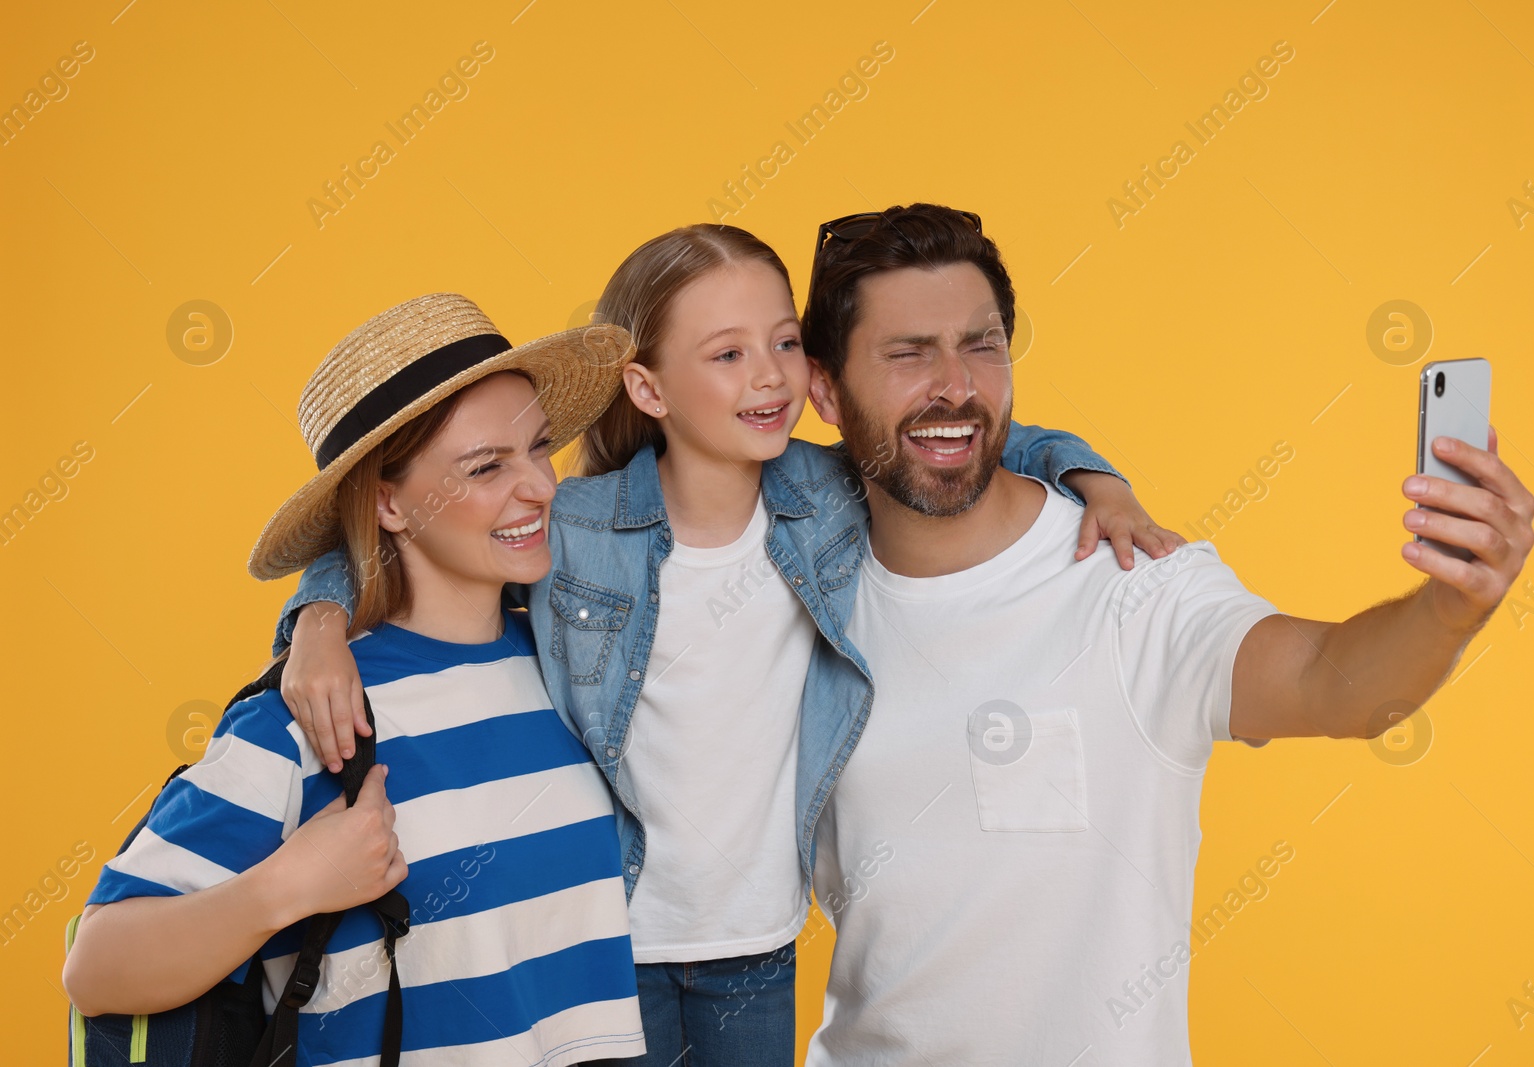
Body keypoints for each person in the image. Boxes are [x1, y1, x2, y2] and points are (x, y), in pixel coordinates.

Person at [271, 224, 1182, 1065]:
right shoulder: (574, 524)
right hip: (607, 937)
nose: (770, 377)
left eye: (785, 343)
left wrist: (1093, 474)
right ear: (648, 388)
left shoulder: (827, 499)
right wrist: (315, 621)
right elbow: (395, 525)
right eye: (729, 354)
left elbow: (966, 434)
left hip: (757, 946)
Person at [794, 203, 1534, 1065]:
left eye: (982, 344)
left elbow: (1335, 682)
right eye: (909, 353)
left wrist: (1450, 606)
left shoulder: (1130, 581)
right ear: (823, 390)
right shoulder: (795, 599)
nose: (956, 385)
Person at [64, 295, 648, 1065]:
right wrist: (288, 885)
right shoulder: (311, 715)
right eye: (486, 467)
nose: (540, 487)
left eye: (539, 449)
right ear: (388, 502)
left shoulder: (584, 667)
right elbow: (97, 967)